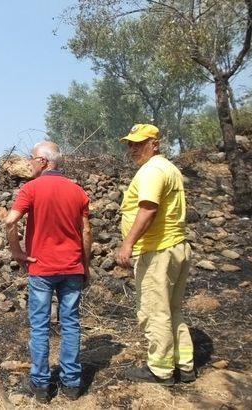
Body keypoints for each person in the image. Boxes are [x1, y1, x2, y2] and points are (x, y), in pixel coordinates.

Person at [0, 141, 92, 403]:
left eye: (31, 159)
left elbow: (10, 221)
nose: (29, 164)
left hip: (41, 268)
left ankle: (41, 386)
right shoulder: (77, 191)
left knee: (40, 327)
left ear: (42, 161)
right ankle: (72, 385)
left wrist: (17, 252)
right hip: (72, 268)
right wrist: (85, 265)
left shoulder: (31, 189)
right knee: (71, 324)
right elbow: (86, 231)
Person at [116, 124, 194, 385]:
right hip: (175, 246)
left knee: (154, 311)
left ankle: (160, 370)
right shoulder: (168, 168)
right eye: (130, 143)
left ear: (155, 143)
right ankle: (185, 365)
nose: (133, 148)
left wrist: (127, 244)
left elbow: (148, 209)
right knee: (172, 310)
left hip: (157, 250)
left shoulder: (151, 170)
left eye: (139, 143)